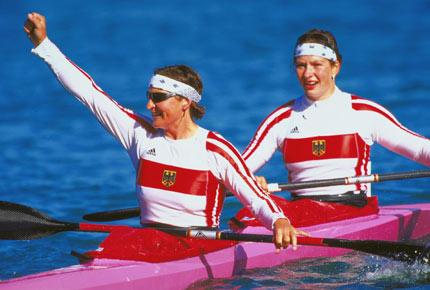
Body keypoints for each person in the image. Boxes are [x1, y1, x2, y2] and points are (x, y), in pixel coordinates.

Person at [23, 12, 306, 259]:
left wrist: (278, 220)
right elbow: (90, 94)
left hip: (200, 247)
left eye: (157, 98)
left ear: (185, 102)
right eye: (148, 97)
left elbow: (255, 199)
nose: (149, 106)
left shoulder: (215, 149)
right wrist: (44, 46)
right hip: (148, 241)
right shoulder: (140, 134)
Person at [232, 28, 430, 229]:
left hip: (353, 210)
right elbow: (233, 172)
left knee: (251, 218)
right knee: (248, 214)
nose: (308, 74)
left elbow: (421, 149)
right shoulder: (281, 119)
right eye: (301, 66)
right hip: (301, 211)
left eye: (317, 65)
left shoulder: (363, 112)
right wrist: (251, 185)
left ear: (336, 67)